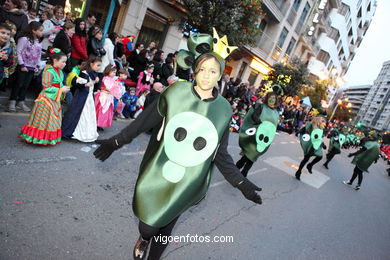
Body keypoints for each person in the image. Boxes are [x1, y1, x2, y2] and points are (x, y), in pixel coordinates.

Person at [93, 30, 262, 260]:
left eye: (213, 71)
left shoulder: (223, 109)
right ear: (195, 70)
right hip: (160, 167)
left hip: (190, 177)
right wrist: (116, 141)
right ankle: (144, 238)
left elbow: (219, 155)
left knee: (168, 224)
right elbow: (144, 121)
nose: (206, 75)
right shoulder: (176, 92)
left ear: (220, 75)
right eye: (202, 69)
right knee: (148, 227)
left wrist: (241, 183)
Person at [19, 48, 70, 145]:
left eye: (65, 62)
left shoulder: (59, 71)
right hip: (46, 98)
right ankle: (38, 138)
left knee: (52, 118)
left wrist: (62, 88)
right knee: (44, 118)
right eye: (63, 62)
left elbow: (58, 83)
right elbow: (46, 86)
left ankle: (48, 138)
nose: (65, 64)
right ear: (55, 60)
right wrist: (61, 90)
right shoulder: (48, 70)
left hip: (55, 97)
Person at [236, 89, 281, 177]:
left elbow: (274, 126)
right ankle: (240, 168)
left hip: (264, 138)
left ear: (276, 100)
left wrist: (287, 130)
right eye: (270, 98)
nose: (272, 100)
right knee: (251, 153)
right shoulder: (261, 107)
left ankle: (243, 171)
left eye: (274, 98)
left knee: (254, 155)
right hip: (255, 135)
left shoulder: (276, 113)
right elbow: (254, 116)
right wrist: (259, 122)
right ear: (267, 98)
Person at [8, 21, 41, 112]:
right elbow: (18, 52)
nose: (42, 32)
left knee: (25, 85)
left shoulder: (38, 41)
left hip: (32, 67)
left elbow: (38, 55)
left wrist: (37, 65)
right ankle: (12, 101)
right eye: (40, 30)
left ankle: (21, 102)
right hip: (23, 66)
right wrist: (22, 64)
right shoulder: (23, 39)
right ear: (34, 30)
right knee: (19, 84)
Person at [62, 60, 98, 142]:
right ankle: (72, 131)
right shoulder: (84, 73)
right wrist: (85, 85)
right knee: (78, 113)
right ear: (91, 64)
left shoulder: (93, 74)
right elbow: (76, 83)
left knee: (87, 115)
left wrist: (95, 81)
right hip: (82, 97)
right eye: (98, 65)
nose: (99, 67)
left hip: (88, 98)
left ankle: (87, 133)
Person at [295, 111, 327, 180]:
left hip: (316, 145)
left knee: (320, 156)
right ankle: (298, 172)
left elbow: (319, 137)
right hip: (310, 145)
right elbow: (304, 129)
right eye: (322, 118)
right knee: (306, 159)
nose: (322, 119)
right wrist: (299, 131)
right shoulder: (311, 124)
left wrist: (323, 144)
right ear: (318, 118)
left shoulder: (320, 127)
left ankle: (310, 165)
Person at [94, 65, 118, 129]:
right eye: (113, 72)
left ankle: (101, 124)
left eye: (115, 72)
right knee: (101, 110)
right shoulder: (105, 78)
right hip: (104, 95)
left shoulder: (112, 79)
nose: (114, 74)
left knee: (107, 111)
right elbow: (108, 87)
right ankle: (97, 123)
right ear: (108, 71)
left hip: (109, 96)